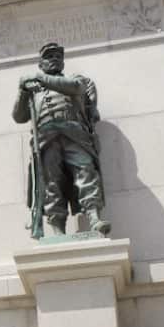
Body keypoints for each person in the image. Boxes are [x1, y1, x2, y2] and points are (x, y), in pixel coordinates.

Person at [12, 42, 108, 239]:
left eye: (57, 56)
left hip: (75, 135)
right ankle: (57, 230)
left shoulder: (76, 79)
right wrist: (22, 90)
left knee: (86, 173)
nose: (54, 59)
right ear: (41, 63)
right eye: (49, 57)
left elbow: (75, 88)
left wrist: (40, 78)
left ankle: (94, 218)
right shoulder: (34, 90)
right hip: (46, 139)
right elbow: (19, 116)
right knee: (51, 184)